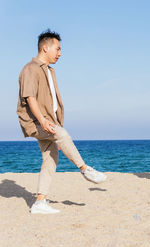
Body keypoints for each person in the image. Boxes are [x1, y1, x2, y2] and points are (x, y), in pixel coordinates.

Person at [17, 29, 107, 214]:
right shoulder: (30, 69)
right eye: (57, 49)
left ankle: (39, 202)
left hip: (48, 121)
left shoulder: (50, 71)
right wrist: (42, 121)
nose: (60, 53)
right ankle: (85, 169)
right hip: (35, 122)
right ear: (44, 48)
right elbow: (29, 97)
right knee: (62, 134)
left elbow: (52, 102)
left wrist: (55, 126)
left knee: (50, 159)